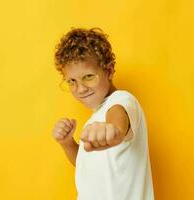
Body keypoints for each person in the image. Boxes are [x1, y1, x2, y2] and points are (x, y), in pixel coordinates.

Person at [52, 27, 154, 200]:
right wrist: (67, 143)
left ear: (108, 70)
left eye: (88, 77)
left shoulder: (122, 101)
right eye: (72, 81)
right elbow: (86, 165)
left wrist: (113, 130)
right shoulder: (95, 119)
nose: (80, 89)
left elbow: (117, 122)